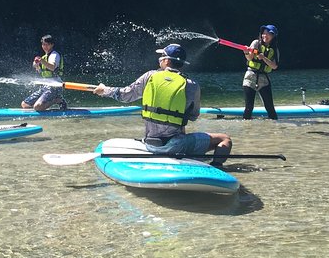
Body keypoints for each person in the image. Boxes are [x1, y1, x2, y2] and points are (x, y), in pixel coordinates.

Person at [93, 44, 233, 167]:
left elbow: (125, 95)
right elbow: (194, 116)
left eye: (161, 57)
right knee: (224, 139)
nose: (159, 60)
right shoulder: (191, 85)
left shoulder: (149, 76)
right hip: (177, 145)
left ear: (166, 61)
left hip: (150, 144)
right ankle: (216, 167)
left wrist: (104, 90)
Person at [242, 24, 280, 120]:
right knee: (249, 107)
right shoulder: (255, 43)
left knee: (270, 108)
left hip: (264, 79)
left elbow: (274, 66)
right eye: (264, 34)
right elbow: (249, 57)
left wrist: (263, 58)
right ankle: (247, 127)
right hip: (250, 76)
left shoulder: (275, 50)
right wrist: (246, 52)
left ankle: (275, 126)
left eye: (268, 34)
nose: (265, 36)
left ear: (273, 36)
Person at [21, 35, 67, 111]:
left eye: (47, 44)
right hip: (45, 86)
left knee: (37, 107)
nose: (45, 46)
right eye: (43, 44)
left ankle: (57, 100)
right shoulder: (44, 57)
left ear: (52, 45)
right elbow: (41, 71)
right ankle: (48, 102)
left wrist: (41, 61)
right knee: (25, 104)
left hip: (54, 87)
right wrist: (37, 65)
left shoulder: (54, 55)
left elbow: (52, 67)